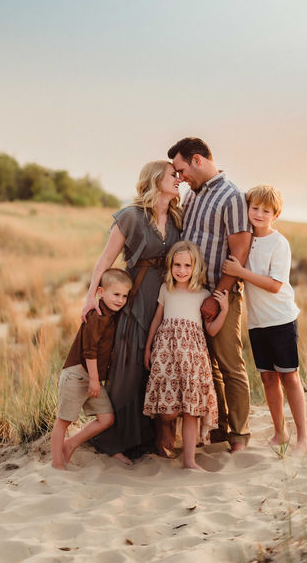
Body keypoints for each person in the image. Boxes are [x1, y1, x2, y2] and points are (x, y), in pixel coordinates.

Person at [81, 161, 181, 463]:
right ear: (155, 180)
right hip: (136, 299)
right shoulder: (131, 216)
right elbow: (104, 262)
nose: (179, 180)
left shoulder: (177, 217)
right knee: (129, 371)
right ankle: (118, 443)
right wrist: (90, 298)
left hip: (166, 302)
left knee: (156, 372)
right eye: (172, 175)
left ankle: (149, 439)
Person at [167, 137, 252, 452]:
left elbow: (240, 248)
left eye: (181, 169)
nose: (180, 177)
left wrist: (219, 295)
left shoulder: (232, 196)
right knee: (208, 367)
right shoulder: (192, 196)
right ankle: (220, 430)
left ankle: (240, 436)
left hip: (220, 294)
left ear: (198, 160)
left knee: (230, 365)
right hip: (191, 297)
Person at [223, 184, 307, 455]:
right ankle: (279, 432)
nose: (259, 213)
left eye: (266, 210)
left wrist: (240, 271)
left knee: (289, 377)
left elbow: (274, 285)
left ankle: (303, 439)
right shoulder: (244, 239)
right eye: (255, 208)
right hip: (257, 322)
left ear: (276, 214)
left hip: (281, 319)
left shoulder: (278, 243)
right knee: (268, 379)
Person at [143, 241, 229, 469]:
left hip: (193, 357)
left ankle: (189, 461)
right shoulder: (166, 289)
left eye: (187, 266)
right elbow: (156, 320)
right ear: (170, 265)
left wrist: (225, 311)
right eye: (177, 265)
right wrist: (148, 347)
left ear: (196, 267)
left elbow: (210, 330)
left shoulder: (203, 294)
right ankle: (164, 427)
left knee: (191, 409)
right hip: (166, 353)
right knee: (169, 410)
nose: (181, 270)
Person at [51, 268, 132, 470]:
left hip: (91, 376)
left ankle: (71, 444)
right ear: (100, 292)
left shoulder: (112, 316)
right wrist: (95, 380)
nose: (120, 300)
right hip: (77, 375)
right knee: (64, 420)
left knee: (106, 418)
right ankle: (57, 464)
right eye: (116, 294)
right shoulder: (96, 315)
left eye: (124, 295)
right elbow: (89, 351)